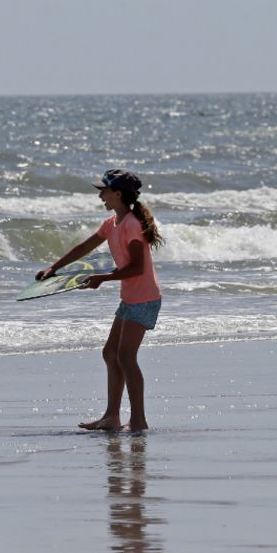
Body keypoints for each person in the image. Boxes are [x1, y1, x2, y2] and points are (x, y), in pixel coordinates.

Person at [37, 169, 164, 432]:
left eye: (103, 191)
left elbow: (137, 269)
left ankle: (138, 420)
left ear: (117, 194)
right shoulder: (112, 223)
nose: (101, 197)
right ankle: (111, 417)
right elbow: (84, 247)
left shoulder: (132, 225)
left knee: (126, 356)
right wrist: (54, 268)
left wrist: (102, 278)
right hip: (132, 297)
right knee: (110, 353)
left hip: (144, 298)